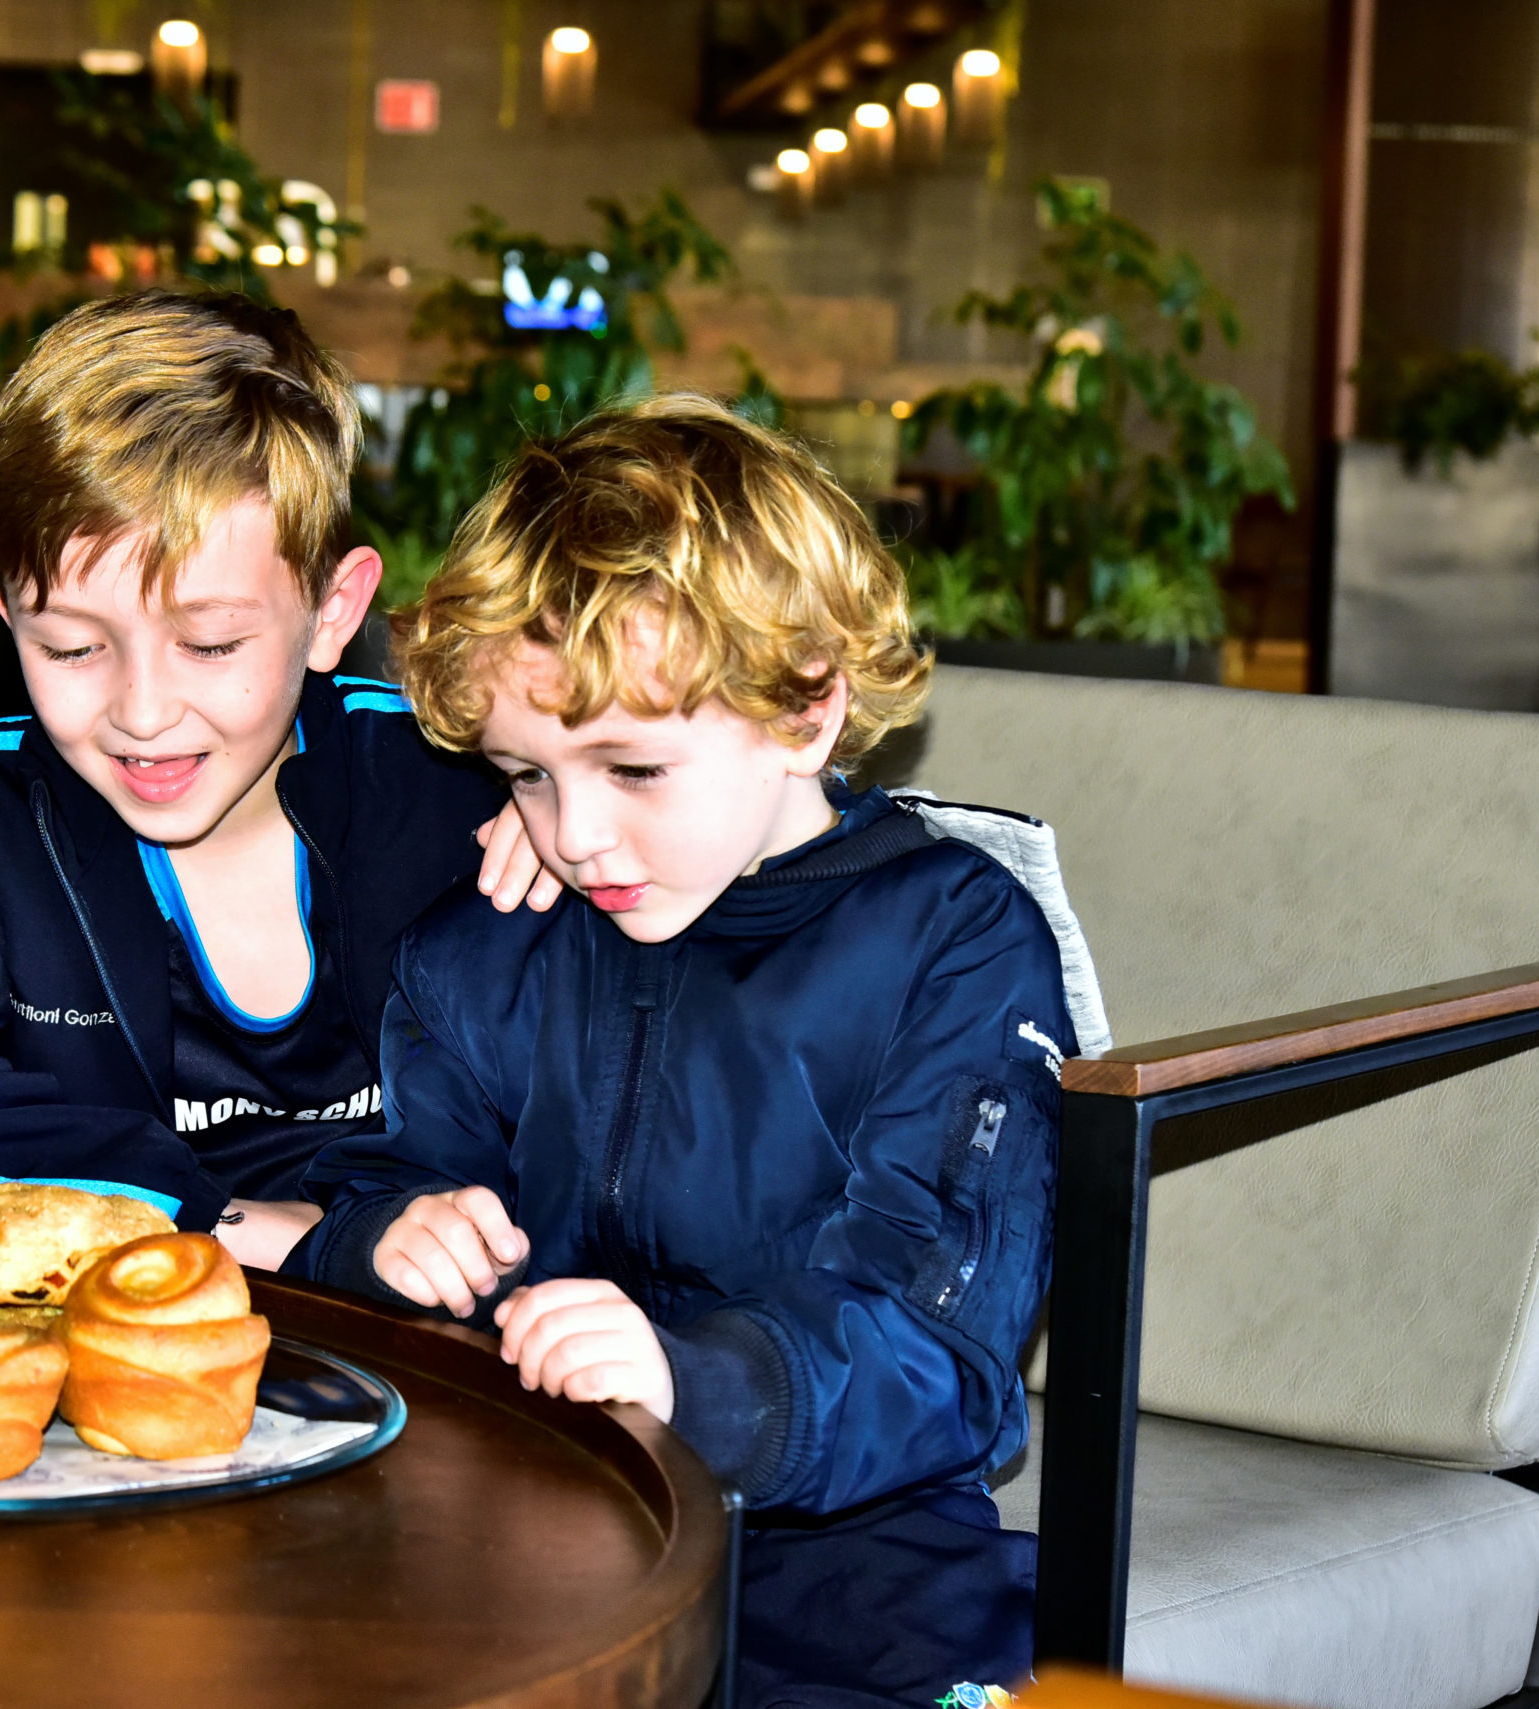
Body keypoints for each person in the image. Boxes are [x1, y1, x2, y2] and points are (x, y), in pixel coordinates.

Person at [291, 395, 1076, 1704]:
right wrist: (376, 1237)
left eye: (631, 771)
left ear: (805, 709)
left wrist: (688, 1379)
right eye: (527, 774)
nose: (576, 834)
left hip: (850, 1556)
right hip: (537, 1512)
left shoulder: (954, 942)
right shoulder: (487, 947)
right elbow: (387, 1185)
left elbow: (938, 1345)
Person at [0, 290, 555, 1268]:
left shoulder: (465, 787)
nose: (142, 712)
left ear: (332, 611)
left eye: (209, 642)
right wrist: (218, 1222)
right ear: (5, 608)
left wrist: (573, 810)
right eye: (70, 646)